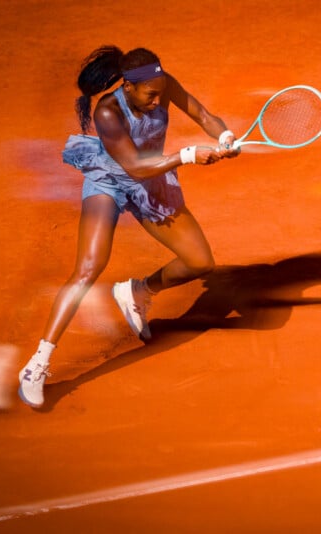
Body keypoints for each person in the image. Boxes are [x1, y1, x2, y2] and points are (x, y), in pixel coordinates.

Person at [18, 45, 239, 408]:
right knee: (88, 268)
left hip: (153, 181)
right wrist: (188, 155)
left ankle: (138, 292)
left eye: (160, 93)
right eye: (150, 95)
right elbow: (134, 167)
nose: (157, 101)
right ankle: (38, 364)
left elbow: (202, 113)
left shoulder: (161, 84)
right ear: (129, 88)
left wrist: (224, 136)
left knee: (200, 263)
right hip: (112, 179)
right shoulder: (108, 110)